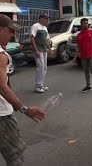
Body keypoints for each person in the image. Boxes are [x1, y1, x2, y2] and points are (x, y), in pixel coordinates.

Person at [0, 14, 46, 166]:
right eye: (10, 30)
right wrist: (24, 109)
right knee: (15, 156)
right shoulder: (0, 55)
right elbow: (2, 86)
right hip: (2, 116)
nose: (12, 34)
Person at [74, 18, 92, 92]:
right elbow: (78, 46)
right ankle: (88, 86)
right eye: (85, 23)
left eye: (87, 23)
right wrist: (75, 57)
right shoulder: (79, 35)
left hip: (91, 55)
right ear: (81, 24)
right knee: (86, 71)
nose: (86, 24)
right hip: (83, 56)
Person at [30, 14, 53, 93]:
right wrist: (36, 50)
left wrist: (50, 49)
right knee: (40, 67)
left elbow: (47, 40)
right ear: (40, 19)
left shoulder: (45, 28)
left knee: (45, 68)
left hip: (44, 50)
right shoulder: (35, 26)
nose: (47, 20)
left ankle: (41, 84)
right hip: (38, 50)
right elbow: (32, 38)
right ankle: (37, 86)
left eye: (47, 19)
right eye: (45, 18)